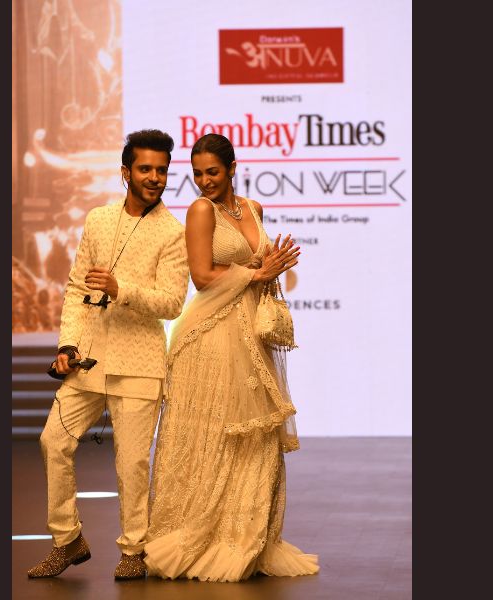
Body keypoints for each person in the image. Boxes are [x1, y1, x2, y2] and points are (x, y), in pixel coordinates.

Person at [144, 133, 319, 581]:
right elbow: (202, 276)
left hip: (249, 336)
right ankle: (199, 536)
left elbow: (257, 270)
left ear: (233, 168)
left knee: (255, 435)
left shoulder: (253, 208)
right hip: (209, 336)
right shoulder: (200, 211)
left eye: (213, 172)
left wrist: (272, 271)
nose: (205, 181)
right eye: (197, 174)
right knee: (216, 435)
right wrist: (258, 272)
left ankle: (247, 538)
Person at [27, 129, 189, 581]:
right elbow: (76, 288)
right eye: (145, 169)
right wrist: (67, 345)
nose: (154, 177)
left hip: (139, 364)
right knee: (53, 441)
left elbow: (172, 303)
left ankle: (134, 549)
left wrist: (122, 289)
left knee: (132, 464)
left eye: (161, 170)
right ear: (125, 172)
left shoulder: (173, 234)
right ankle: (67, 540)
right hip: (88, 358)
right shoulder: (98, 220)